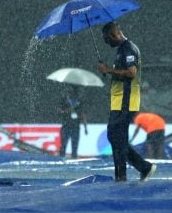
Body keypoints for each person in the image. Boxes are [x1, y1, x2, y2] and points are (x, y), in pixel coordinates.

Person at [97, 21, 156, 182]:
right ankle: (143, 167)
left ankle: (122, 177)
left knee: (117, 138)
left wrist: (108, 70)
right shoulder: (121, 50)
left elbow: (131, 73)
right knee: (115, 137)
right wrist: (108, 71)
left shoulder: (129, 49)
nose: (106, 42)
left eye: (106, 39)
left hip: (126, 101)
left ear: (113, 34)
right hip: (119, 102)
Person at [59, 86, 88, 159]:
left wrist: (85, 127)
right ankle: (61, 159)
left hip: (75, 126)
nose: (70, 93)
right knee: (63, 145)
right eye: (69, 91)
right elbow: (60, 111)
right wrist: (69, 110)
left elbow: (82, 114)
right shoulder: (64, 100)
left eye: (72, 91)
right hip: (66, 125)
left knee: (74, 146)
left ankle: (74, 160)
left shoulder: (79, 101)